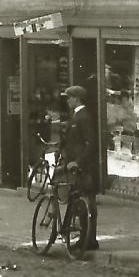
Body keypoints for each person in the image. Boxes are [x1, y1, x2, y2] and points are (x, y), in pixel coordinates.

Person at [60, 85, 99, 251]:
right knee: (80, 202)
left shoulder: (83, 117)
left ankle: (88, 239)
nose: (67, 101)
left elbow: (90, 144)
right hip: (76, 166)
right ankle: (85, 238)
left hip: (84, 168)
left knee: (86, 204)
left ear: (77, 98)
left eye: (69, 97)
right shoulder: (76, 116)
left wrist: (79, 162)